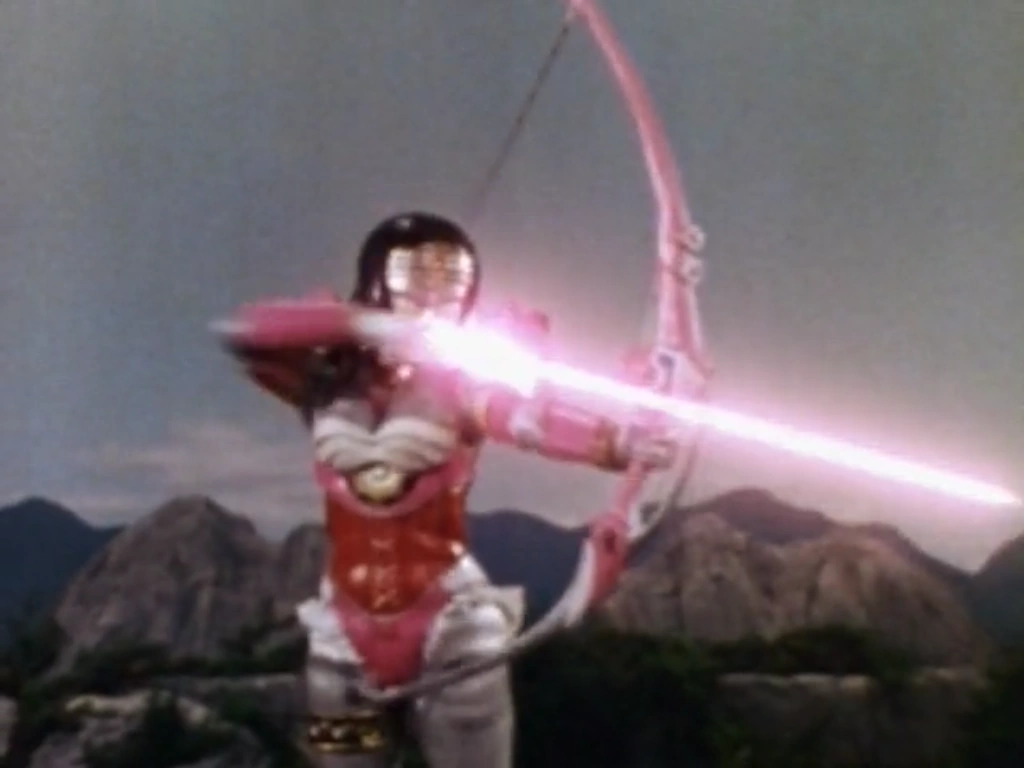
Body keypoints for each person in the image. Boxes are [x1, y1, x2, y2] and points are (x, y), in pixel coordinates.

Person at [212, 211, 669, 768]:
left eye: (451, 278)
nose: (434, 294)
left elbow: (528, 421)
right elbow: (245, 333)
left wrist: (619, 442)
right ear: (378, 277)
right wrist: (367, 326)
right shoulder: (325, 380)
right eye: (415, 273)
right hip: (342, 635)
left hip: (452, 626)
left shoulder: (462, 387)